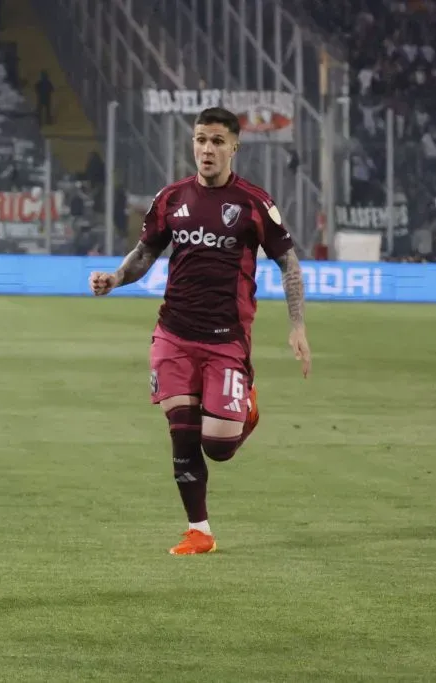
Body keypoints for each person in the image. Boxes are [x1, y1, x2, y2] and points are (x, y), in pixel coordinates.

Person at [89, 107, 311, 555]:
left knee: (219, 447)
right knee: (182, 433)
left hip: (226, 338)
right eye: (200, 140)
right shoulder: (171, 198)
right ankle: (199, 531)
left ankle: (245, 407)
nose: (206, 149)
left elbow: (288, 262)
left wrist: (297, 325)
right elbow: (145, 252)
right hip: (173, 334)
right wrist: (115, 278)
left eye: (216, 141)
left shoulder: (254, 202)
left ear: (234, 148)